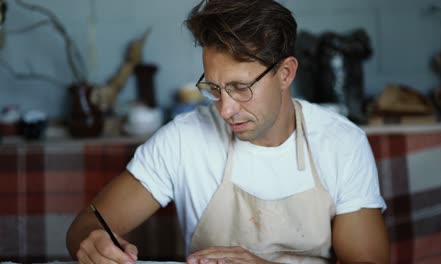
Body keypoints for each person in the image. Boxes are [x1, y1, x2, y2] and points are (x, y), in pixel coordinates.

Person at [66, 0, 390, 263]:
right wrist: (92, 243)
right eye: (214, 88)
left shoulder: (342, 143)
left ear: (286, 72)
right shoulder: (183, 140)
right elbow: (87, 224)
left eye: (240, 87)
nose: (225, 109)